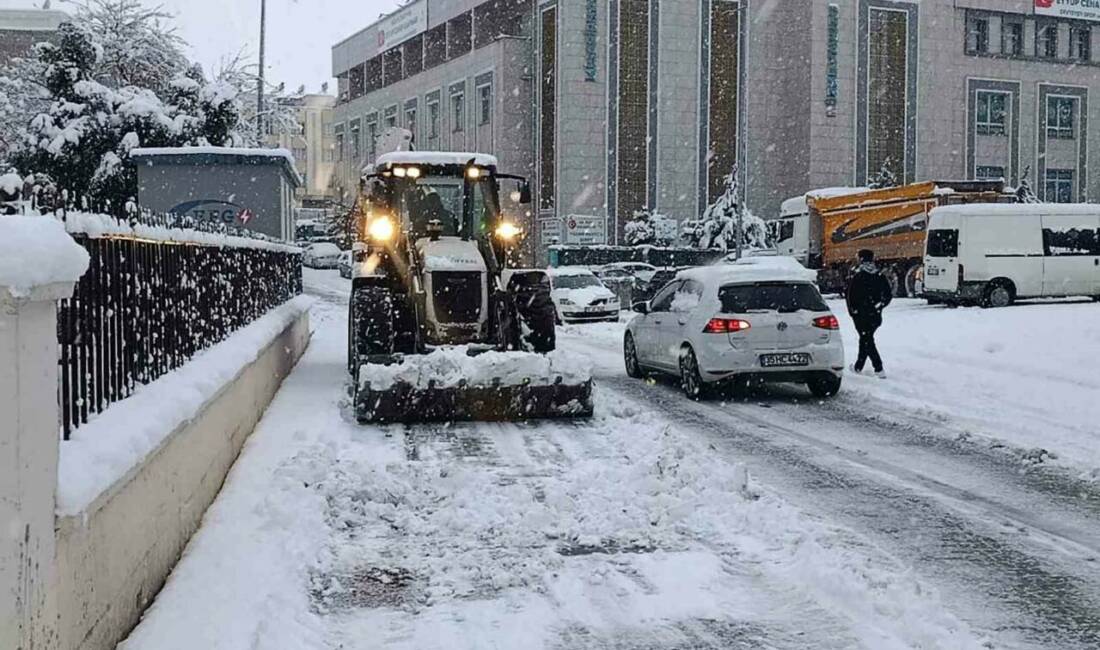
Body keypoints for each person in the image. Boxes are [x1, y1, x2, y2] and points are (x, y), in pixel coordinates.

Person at [846, 249, 892, 377]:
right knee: (865, 339)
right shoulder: (879, 276)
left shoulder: (857, 275)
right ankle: (858, 367)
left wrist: (853, 311)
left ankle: (879, 368)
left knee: (867, 340)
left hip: (861, 315)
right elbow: (888, 294)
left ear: (861, 259)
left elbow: (850, 295)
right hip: (875, 315)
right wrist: (880, 306)